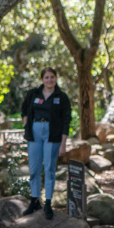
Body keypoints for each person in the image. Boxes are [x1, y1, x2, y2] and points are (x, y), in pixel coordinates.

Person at [21, 67, 72, 219]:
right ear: (42, 79)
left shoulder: (61, 97)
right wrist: (27, 126)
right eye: (47, 77)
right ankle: (35, 200)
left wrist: (63, 143)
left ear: (56, 78)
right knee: (34, 169)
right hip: (35, 133)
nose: (50, 80)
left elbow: (66, 120)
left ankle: (48, 202)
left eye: (52, 77)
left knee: (49, 169)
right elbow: (24, 110)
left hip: (53, 135)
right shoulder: (33, 94)